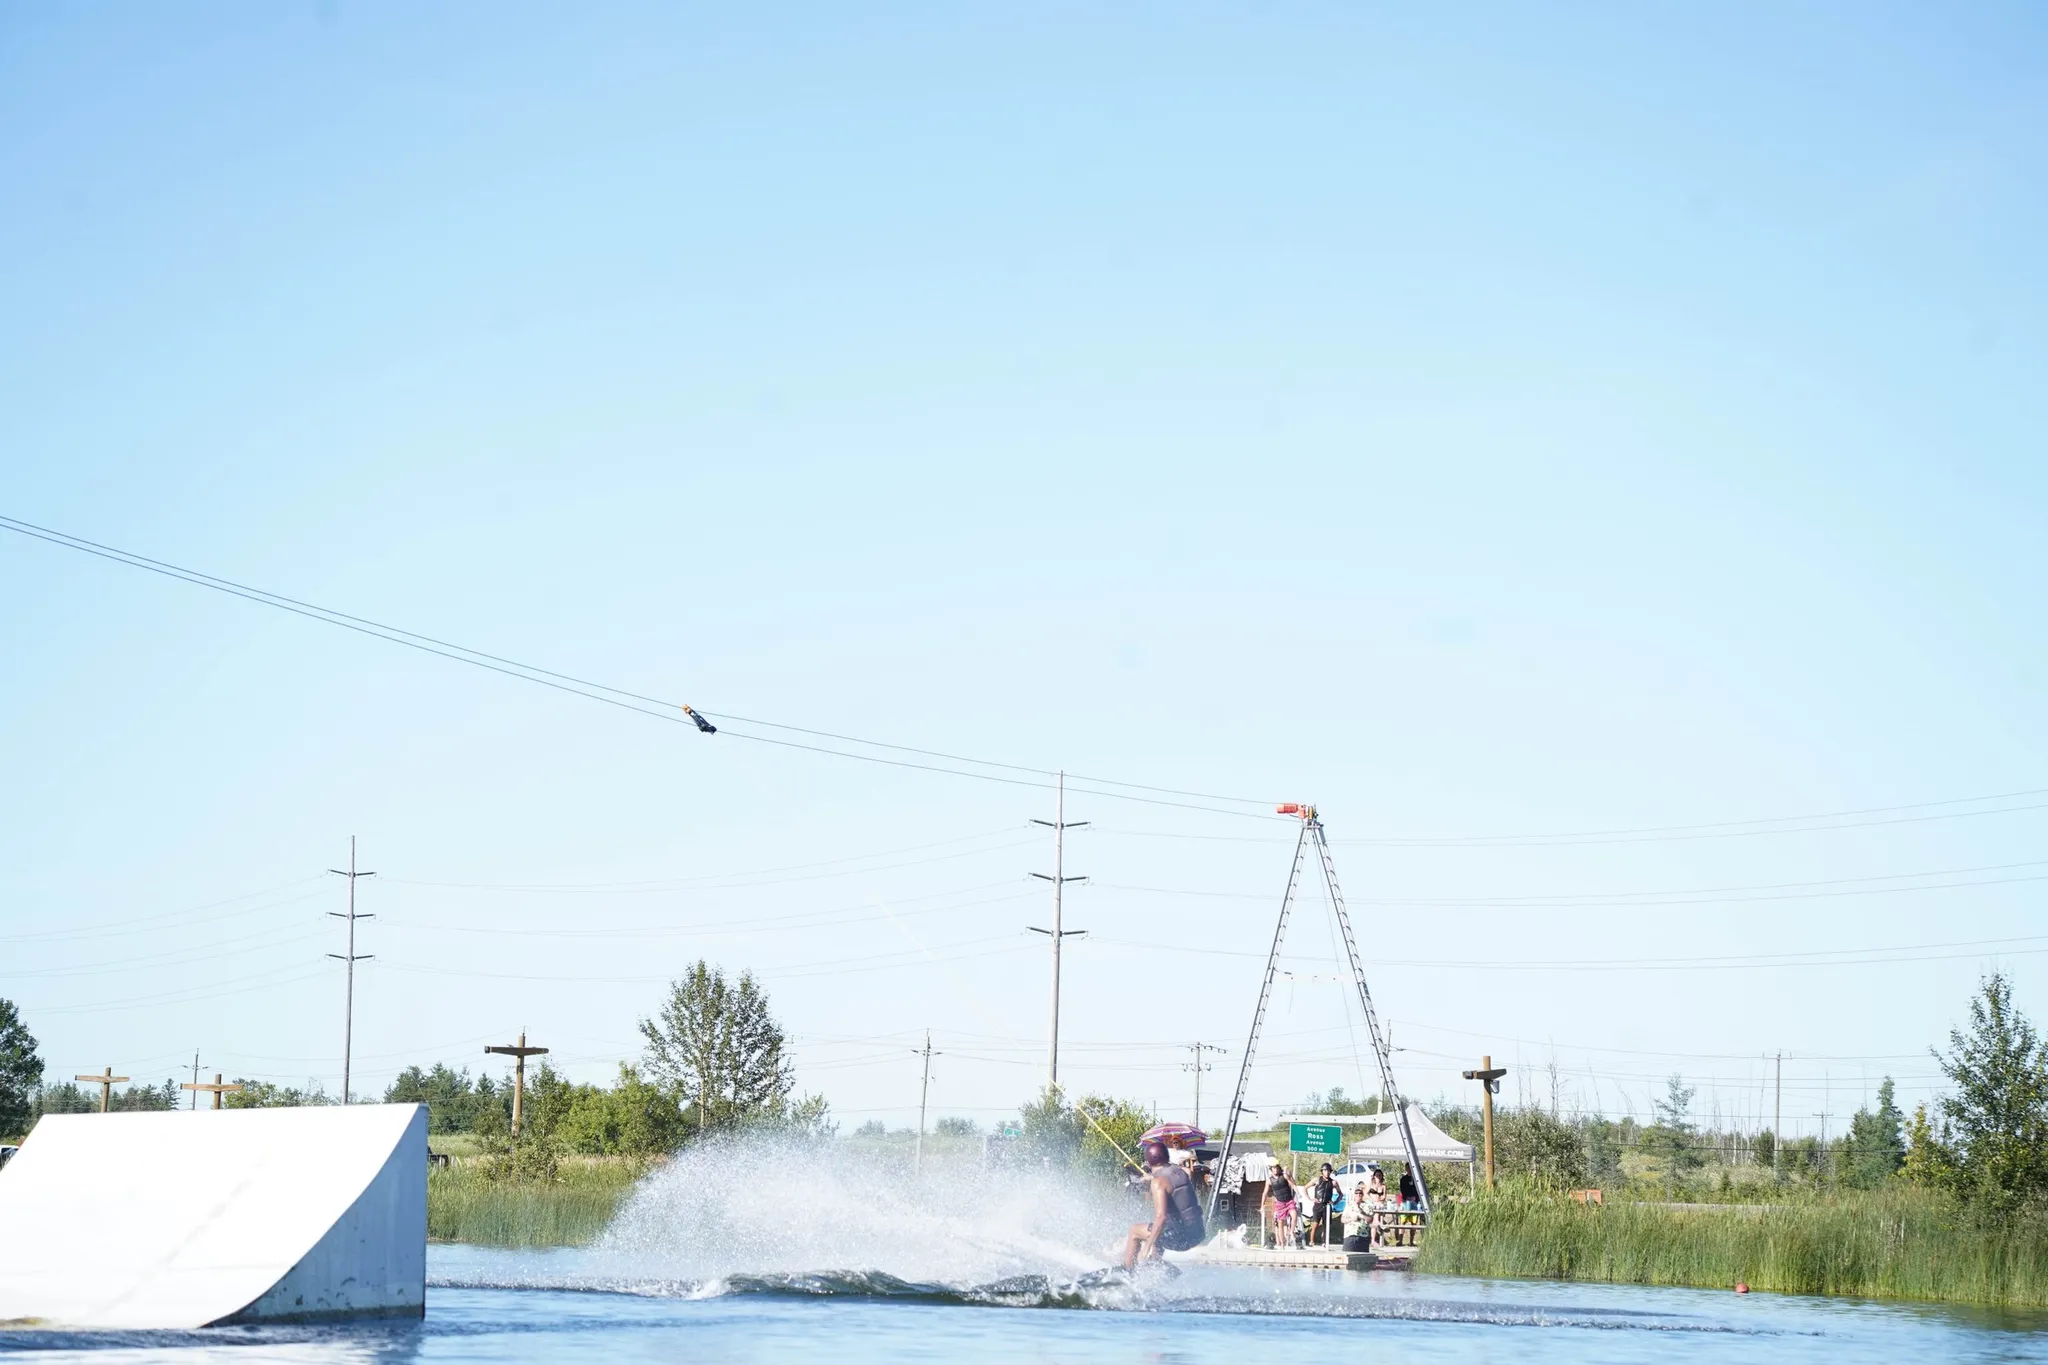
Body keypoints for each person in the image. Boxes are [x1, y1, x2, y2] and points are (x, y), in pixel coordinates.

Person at [1121, 1140, 1208, 1270]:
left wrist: (1146, 1248)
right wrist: (1151, 1179)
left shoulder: (1158, 1183)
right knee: (1158, 1231)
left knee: (1135, 1230)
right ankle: (1157, 1267)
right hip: (1198, 1233)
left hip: (1182, 1239)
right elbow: (1169, 1179)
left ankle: (1127, 1272)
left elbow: (1161, 1217)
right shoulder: (1181, 1172)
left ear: (1149, 1160)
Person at [1266, 1162, 1298, 1247]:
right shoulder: (1269, 1180)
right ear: (1271, 1170)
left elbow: (1293, 1184)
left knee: (1294, 1215)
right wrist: (1262, 1205)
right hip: (1279, 1204)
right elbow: (1264, 1193)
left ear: (1279, 1169)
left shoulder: (1284, 1176)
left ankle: (1291, 1231)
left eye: (1277, 1168)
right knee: (1279, 1225)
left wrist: (1298, 1193)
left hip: (1289, 1201)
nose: (1275, 1170)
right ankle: (1281, 1243)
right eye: (1273, 1168)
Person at [1309, 1162, 1338, 1245]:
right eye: (1325, 1170)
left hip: (1327, 1206)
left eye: (1329, 1171)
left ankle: (1324, 1241)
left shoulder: (1333, 1182)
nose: (1327, 1172)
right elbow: (1305, 1188)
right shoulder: (1317, 1180)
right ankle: (1311, 1241)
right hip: (1318, 1205)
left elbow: (1341, 1194)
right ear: (1322, 1171)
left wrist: (1335, 1202)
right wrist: (1311, 1199)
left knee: (1326, 1226)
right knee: (1315, 1224)